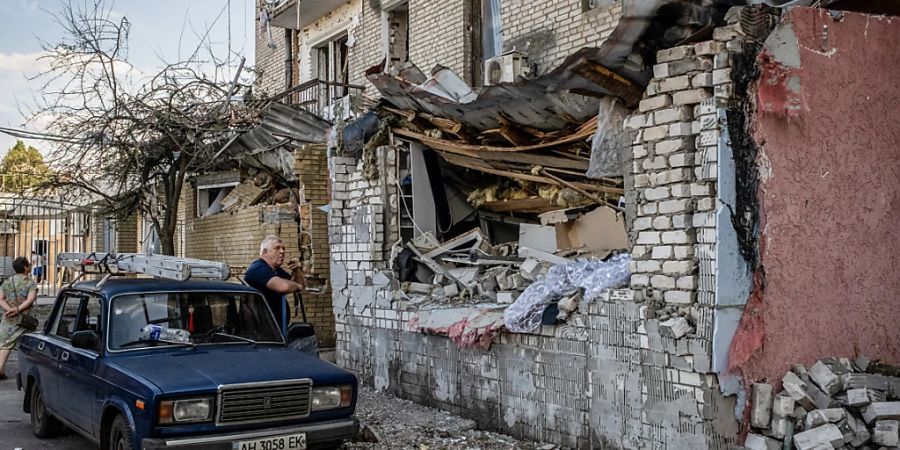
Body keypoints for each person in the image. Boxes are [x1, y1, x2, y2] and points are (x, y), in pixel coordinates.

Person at [244, 236, 305, 335]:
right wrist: (297, 286)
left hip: (275, 327)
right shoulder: (258, 268)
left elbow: (301, 285)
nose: (282, 252)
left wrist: (296, 270)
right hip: (261, 329)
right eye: (277, 248)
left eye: (283, 248)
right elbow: (284, 287)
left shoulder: (275, 270)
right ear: (265, 252)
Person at [0, 257, 38, 380]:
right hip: (24, 319)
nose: (30, 266)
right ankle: (28, 371)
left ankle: (0, 368)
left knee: (5, 344)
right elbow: (30, 299)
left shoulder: (7, 282)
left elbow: (0, 298)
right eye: (29, 265)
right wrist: (18, 309)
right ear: (25, 267)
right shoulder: (30, 282)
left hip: (8, 318)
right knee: (27, 344)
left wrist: (8, 309)